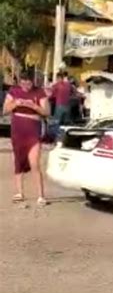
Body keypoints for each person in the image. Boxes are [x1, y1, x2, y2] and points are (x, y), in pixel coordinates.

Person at [2, 73, 50, 206]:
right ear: (20, 82)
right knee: (18, 160)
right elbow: (5, 110)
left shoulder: (39, 92)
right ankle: (19, 192)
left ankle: (40, 195)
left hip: (33, 130)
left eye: (28, 83)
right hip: (17, 129)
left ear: (32, 82)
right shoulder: (14, 91)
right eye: (23, 83)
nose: (26, 86)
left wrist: (34, 106)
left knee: (34, 162)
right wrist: (15, 103)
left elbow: (46, 112)